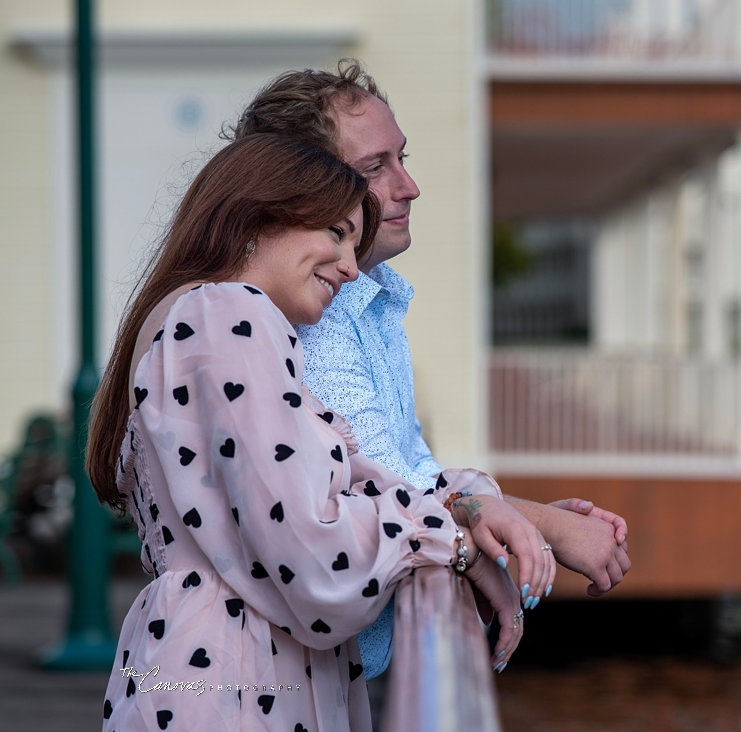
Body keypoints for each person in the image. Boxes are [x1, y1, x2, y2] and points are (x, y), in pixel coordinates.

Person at [87, 134, 548, 731]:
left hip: (198, 668)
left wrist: (463, 504)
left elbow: (332, 492)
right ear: (258, 214)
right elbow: (314, 552)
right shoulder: (232, 315)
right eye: (336, 233)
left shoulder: (194, 319)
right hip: (238, 684)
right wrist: (450, 543)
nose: (353, 267)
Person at [230, 62, 633, 680]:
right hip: (269, 680)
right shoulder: (313, 322)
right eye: (375, 168)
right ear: (299, 193)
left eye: (402, 158)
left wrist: (512, 519)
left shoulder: (368, 301)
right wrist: (548, 529)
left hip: (319, 675)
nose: (409, 185)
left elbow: (409, 472)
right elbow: (377, 493)